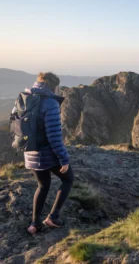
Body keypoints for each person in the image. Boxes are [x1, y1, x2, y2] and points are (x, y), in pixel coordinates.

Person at [23, 72, 73, 234]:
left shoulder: (26, 98)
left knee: (43, 185)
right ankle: (53, 217)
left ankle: (35, 224)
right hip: (46, 154)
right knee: (68, 179)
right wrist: (63, 158)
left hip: (30, 152)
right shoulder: (50, 103)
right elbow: (54, 136)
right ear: (54, 86)